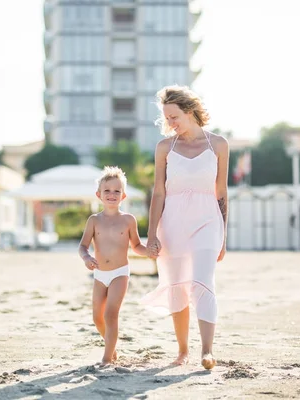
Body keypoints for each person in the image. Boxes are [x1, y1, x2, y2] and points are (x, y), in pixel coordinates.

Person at [142, 85, 229, 370]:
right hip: (173, 221)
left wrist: (223, 236)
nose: (170, 124)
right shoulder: (165, 148)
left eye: (174, 117)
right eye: (166, 118)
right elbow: (158, 193)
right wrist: (151, 233)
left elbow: (222, 193)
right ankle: (182, 351)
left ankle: (207, 350)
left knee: (203, 281)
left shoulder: (218, 145)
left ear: (190, 111)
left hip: (207, 220)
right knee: (177, 286)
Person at [78, 166, 149, 366]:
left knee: (111, 313)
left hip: (120, 273)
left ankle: (107, 358)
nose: (111, 194)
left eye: (116, 191)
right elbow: (82, 246)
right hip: (100, 274)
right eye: (107, 191)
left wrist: (149, 252)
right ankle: (112, 345)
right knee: (97, 318)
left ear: (123, 195)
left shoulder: (128, 220)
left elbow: (136, 246)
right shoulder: (94, 221)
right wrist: (86, 258)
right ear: (98, 194)